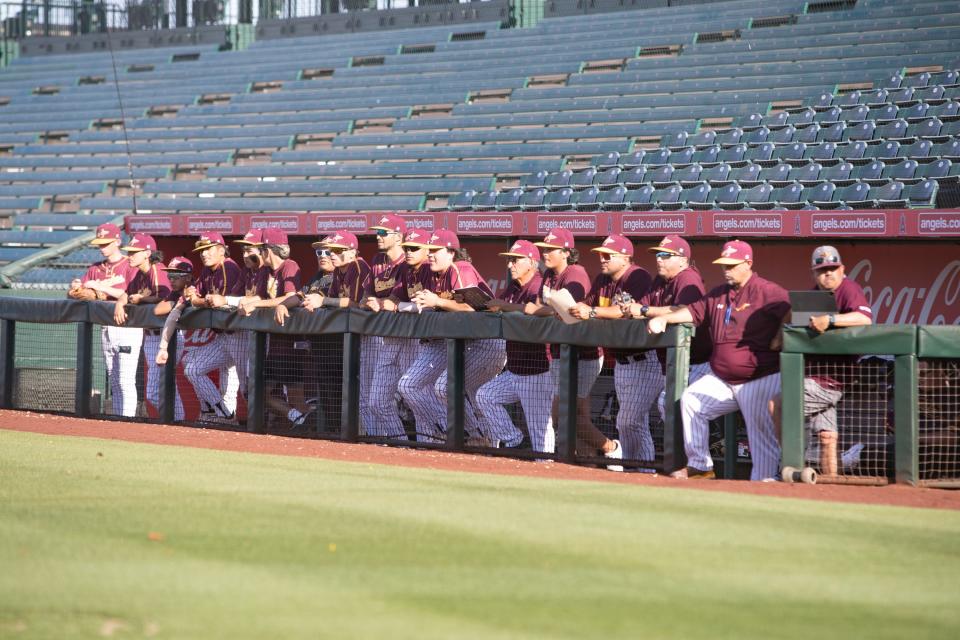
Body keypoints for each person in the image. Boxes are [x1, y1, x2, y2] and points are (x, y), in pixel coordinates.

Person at [648, 240, 790, 481]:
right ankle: (700, 464)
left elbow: (792, 309)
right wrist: (664, 319)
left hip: (758, 378)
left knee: (760, 443)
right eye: (724, 265)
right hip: (722, 378)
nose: (727, 270)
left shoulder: (766, 290)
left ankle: (766, 489)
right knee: (691, 400)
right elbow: (692, 312)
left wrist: (779, 336)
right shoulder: (719, 294)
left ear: (748, 264)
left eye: (733, 265)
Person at [399, 229, 506, 443]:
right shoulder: (437, 275)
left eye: (435, 250)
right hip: (465, 344)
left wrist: (437, 302)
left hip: (487, 343)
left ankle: (477, 437)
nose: (430, 255)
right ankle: (473, 437)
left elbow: (472, 308)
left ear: (451, 252)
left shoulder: (460, 268)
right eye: (428, 250)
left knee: (448, 388)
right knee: (470, 397)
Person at [527, 227, 621, 467]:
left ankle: (612, 448)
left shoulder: (575, 272)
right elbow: (541, 306)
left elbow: (571, 308)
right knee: (575, 415)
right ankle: (586, 464)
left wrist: (542, 310)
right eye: (544, 249)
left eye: (551, 249)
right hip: (560, 351)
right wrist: (543, 309)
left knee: (563, 414)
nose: (545, 253)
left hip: (584, 353)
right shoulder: (548, 275)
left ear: (566, 252)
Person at [570, 234, 655, 466]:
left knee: (631, 421)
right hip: (621, 360)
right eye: (600, 254)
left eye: (608, 255)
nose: (602, 259)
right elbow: (588, 305)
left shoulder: (637, 276)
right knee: (632, 422)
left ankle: (643, 469)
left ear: (626, 257)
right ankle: (637, 469)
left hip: (645, 358)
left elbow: (625, 311)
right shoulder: (603, 279)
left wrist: (593, 312)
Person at [796, 245, 873, 476]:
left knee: (779, 405)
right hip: (816, 374)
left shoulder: (849, 289)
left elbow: (864, 318)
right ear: (813, 273)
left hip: (833, 377)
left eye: (832, 268)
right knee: (827, 437)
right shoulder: (813, 295)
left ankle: (790, 461)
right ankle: (834, 484)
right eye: (821, 270)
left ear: (842, 269)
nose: (827, 273)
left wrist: (829, 319)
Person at [621, 235, 713, 418]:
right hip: (673, 362)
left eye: (665, 255)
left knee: (671, 406)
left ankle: (711, 441)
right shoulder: (660, 280)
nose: (659, 259)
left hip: (696, 362)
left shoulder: (688, 277)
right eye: (658, 254)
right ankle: (710, 441)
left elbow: (686, 309)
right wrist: (631, 308)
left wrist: (645, 310)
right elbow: (642, 308)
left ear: (682, 260)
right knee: (672, 411)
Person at [476, 240, 554, 452]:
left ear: (531, 262)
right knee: (486, 396)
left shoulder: (539, 287)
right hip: (515, 371)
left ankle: (546, 468)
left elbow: (542, 315)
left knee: (540, 430)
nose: (510, 265)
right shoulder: (514, 286)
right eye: (509, 260)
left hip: (537, 371)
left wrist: (505, 308)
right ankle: (514, 440)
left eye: (515, 260)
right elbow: (499, 307)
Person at [236, 228, 306, 428]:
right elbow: (259, 297)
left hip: (291, 340)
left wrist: (256, 304)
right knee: (258, 393)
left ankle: (306, 422)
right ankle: (298, 418)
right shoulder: (265, 271)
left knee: (295, 395)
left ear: (269, 250)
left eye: (261, 249)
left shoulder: (290, 266)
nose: (256, 254)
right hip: (273, 341)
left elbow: (291, 297)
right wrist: (245, 303)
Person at [67, 223, 139, 417]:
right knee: (114, 380)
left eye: (106, 243)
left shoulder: (129, 264)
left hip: (128, 327)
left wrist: (102, 288)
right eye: (100, 244)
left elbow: (131, 293)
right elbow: (75, 293)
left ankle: (128, 421)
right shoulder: (95, 269)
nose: (102, 247)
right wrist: (76, 288)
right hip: (106, 328)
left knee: (125, 380)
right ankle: (117, 418)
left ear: (118, 241)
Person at [362, 218, 422, 439]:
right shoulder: (378, 260)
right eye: (377, 231)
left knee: (415, 396)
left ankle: (435, 442)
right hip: (388, 338)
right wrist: (370, 300)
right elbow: (367, 291)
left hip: (411, 337)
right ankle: (401, 443)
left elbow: (403, 298)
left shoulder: (408, 262)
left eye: (383, 232)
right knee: (376, 401)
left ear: (398, 236)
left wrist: (388, 303)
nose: (378, 236)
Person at [182, 231, 245, 422]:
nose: (204, 254)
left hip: (241, 336)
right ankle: (225, 415)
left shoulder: (229, 268)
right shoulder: (207, 270)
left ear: (221, 250)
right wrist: (193, 296)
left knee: (248, 388)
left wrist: (197, 300)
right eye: (201, 250)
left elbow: (216, 303)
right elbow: (193, 296)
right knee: (192, 369)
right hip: (224, 337)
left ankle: (263, 428)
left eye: (208, 249)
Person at [112, 233, 170, 420]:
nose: (130, 256)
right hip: (151, 335)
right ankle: (175, 423)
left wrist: (142, 298)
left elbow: (167, 297)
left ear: (146, 253)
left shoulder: (157, 269)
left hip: (168, 335)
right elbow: (125, 293)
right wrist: (120, 304)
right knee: (158, 390)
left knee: (157, 390)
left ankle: (175, 423)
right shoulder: (140, 274)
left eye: (134, 252)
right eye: (129, 252)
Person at [153, 255, 195, 421]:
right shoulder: (177, 293)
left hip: (214, 340)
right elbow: (158, 309)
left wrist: (185, 302)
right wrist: (178, 302)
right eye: (169, 276)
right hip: (190, 344)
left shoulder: (196, 288)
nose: (171, 279)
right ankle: (178, 419)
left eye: (175, 276)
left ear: (188, 277)